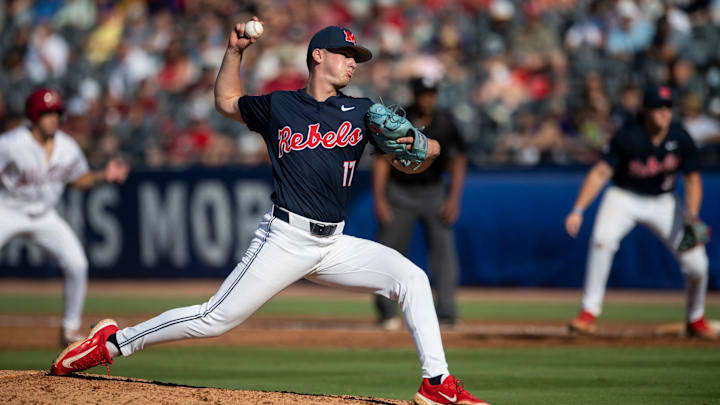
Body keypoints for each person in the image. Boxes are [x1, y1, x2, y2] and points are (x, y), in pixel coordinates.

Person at [50, 20, 489, 405]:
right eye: (345, 54)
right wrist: (234, 52)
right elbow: (226, 101)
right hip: (284, 238)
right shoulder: (280, 106)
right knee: (213, 319)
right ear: (318, 56)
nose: (353, 63)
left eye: (356, 57)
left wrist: (421, 143)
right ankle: (112, 343)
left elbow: (425, 151)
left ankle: (437, 383)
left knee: (412, 278)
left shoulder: (361, 112)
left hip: (333, 244)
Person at [564, 84, 715, 339]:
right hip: (624, 197)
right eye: (657, 107)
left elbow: (692, 179)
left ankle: (696, 318)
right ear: (645, 110)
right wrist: (578, 209)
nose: (663, 112)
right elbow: (601, 171)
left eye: (667, 107)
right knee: (602, 240)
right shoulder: (628, 135)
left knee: (697, 264)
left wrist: (692, 214)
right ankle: (588, 313)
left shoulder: (680, 137)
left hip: (665, 202)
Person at [0, 87, 129, 346]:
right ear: (34, 115)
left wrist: (104, 175)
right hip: (7, 210)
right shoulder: (11, 143)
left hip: (45, 215)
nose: (53, 118)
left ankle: (69, 330)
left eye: (57, 112)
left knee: (77, 263)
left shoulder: (67, 147)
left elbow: (79, 179)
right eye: (47, 113)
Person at [373, 76, 467, 330]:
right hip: (400, 192)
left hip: (434, 192)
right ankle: (386, 313)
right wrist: (380, 198)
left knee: (443, 253)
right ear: (415, 94)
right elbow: (382, 159)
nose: (428, 98)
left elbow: (458, 161)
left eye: (432, 94)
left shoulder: (446, 122)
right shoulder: (399, 120)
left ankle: (446, 311)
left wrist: (454, 199)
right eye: (424, 94)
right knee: (388, 252)